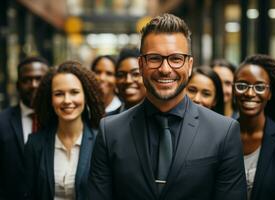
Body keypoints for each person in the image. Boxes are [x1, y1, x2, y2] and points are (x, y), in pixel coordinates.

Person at [88, 13, 246, 200]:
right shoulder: (109, 132)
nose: (165, 69)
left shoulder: (224, 132)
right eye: (154, 58)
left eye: (176, 58)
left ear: (189, 65)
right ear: (141, 65)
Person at [25, 61, 104, 200]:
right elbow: (29, 194)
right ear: (50, 99)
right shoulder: (35, 143)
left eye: (74, 92)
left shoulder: (101, 141)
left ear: (86, 96)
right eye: (59, 94)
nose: (67, 100)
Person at [233, 54, 275, 200]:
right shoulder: (222, 136)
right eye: (242, 85)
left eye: (260, 87)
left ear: (269, 93)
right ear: (233, 90)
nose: (250, 93)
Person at [0, 56, 49, 200]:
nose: (33, 85)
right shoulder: (2, 122)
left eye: (39, 79)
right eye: (27, 80)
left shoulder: (60, 121)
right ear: (17, 85)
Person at [111, 47, 146, 114]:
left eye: (135, 74)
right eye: (121, 75)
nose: (128, 80)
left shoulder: (162, 119)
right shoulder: (107, 121)